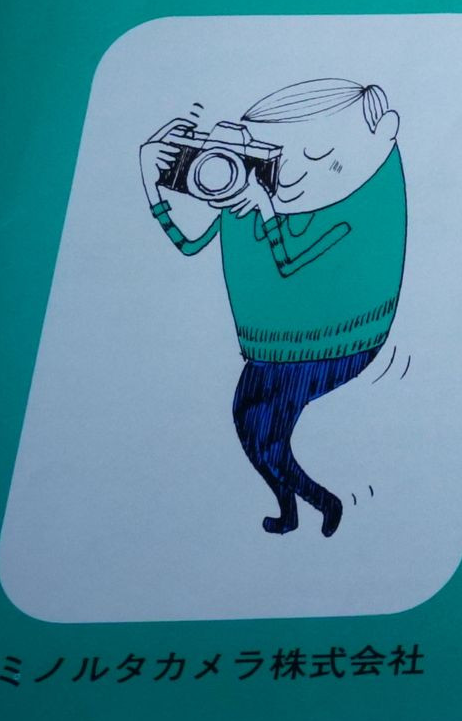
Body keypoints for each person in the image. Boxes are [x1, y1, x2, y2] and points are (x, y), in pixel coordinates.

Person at [139, 78, 408, 536]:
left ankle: (321, 503)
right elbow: (188, 244)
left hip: (335, 343)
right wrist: (153, 183)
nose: (290, 173)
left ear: (382, 134)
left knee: (260, 433)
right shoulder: (249, 201)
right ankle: (294, 509)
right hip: (272, 349)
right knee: (254, 429)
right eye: (271, 156)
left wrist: (263, 207)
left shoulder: (356, 209)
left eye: (318, 155)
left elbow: (289, 263)